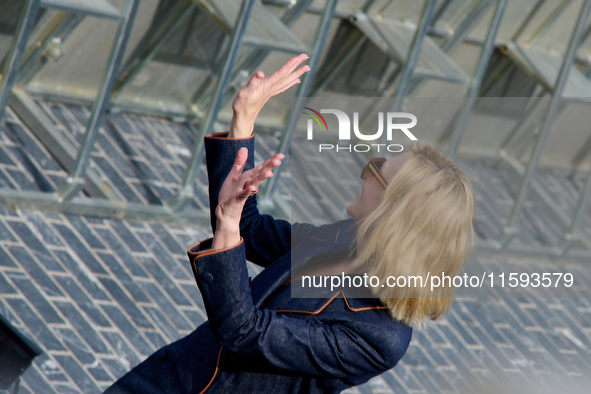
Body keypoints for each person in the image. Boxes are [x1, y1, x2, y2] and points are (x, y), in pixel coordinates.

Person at [104, 54, 475, 393]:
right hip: (167, 377)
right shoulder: (346, 238)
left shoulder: (378, 337)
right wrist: (244, 118)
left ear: (396, 212)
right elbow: (250, 229)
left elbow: (243, 329)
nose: (363, 174)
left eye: (377, 171)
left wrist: (228, 221)